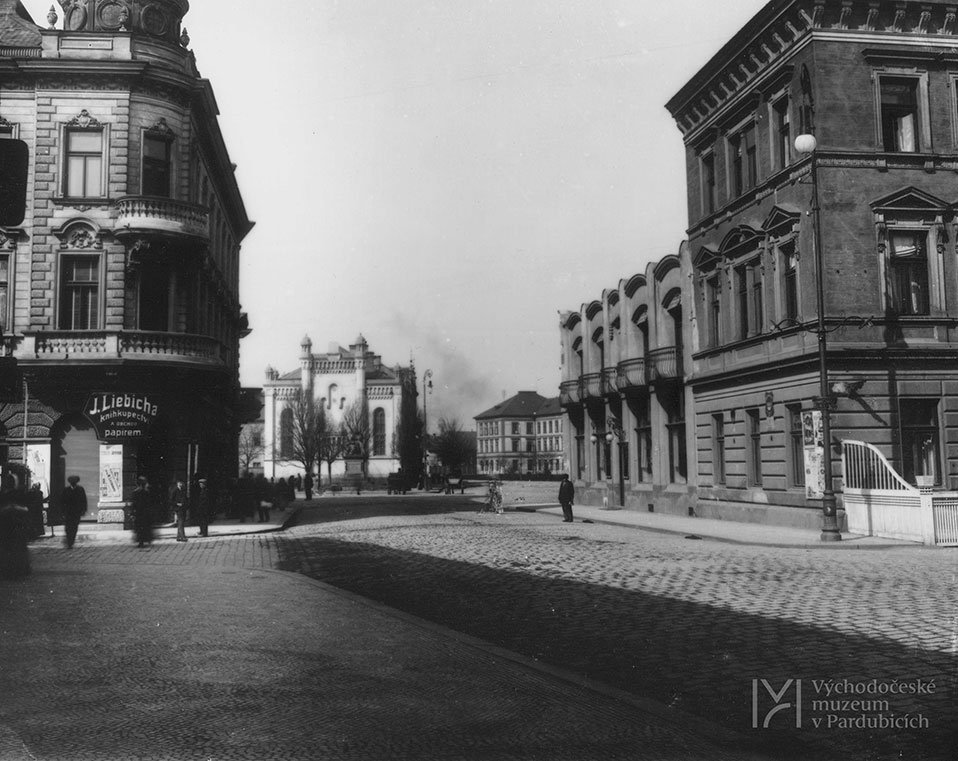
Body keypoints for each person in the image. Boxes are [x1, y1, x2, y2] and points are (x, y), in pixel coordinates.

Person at [60, 475, 87, 548]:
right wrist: (62, 512)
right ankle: (69, 541)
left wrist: (83, 510)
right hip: (68, 513)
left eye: (74, 482)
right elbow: (62, 501)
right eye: (72, 482)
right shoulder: (66, 490)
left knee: (74, 527)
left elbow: (84, 500)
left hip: (76, 512)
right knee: (68, 528)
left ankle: (71, 541)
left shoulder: (80, 489)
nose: (73, 484)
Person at [130, 476, 154, 548]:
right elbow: (149, 503)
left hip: (138, 513)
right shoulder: (146, 492)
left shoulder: (135, 492)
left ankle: (141, 542)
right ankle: (146, 541)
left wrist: (132, 513)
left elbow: (133, 504)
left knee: (139, 528)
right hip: (145, 513)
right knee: (145, 527)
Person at [169, 478, 188, 542]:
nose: (180, 484)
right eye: (179, 483)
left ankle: (178, 537)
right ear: (177, 483)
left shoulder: (183, 490)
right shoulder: (174, 490)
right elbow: (171, 500)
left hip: (182, 508)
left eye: (181, 483)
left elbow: (185, 498)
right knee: (180, 522)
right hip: (178, 509)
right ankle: (183, 537)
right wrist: (177, 504)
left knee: (181, 522)